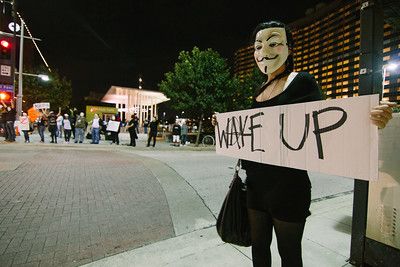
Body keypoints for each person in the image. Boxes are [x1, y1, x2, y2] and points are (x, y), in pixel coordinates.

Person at [212, 20, 394, 267]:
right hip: (255, 188)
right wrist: (221, 124)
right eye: (257, 46)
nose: (263, 51)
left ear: (289, 48)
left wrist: (370, 119)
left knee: (289, 256)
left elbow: (329, 124)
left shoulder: (302, 82)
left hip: (288, 189)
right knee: (259, 253)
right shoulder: (258, 90)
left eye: (273, 43)